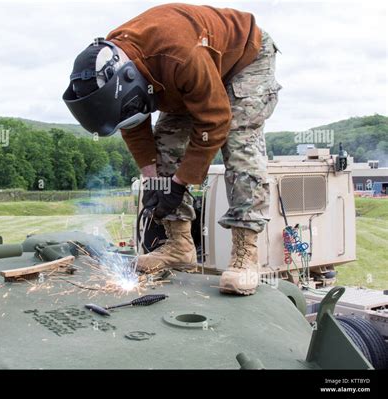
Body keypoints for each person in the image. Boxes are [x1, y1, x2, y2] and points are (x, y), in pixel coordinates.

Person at [63, 3, 282, 296]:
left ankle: (246, 255)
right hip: (181, 80)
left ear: (129, 79)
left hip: (245, 59)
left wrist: (178, 184)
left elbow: (214, 120)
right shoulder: (120, 71)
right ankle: (179, 247)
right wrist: (153, 181)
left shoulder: (180, 55)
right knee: (164, 143)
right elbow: (133, 123)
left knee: (238, 142)